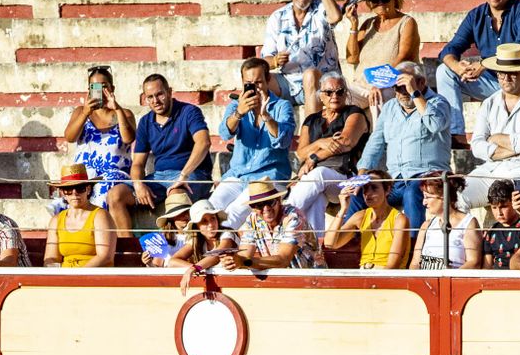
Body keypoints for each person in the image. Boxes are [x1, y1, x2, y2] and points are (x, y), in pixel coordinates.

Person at [436, 0, 520, 143]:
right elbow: (450, 49)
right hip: (493, 81)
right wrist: (458, 67)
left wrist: (484, 64)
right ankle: (456, 135)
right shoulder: (476, 15)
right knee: (444, 71)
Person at [356, 62, 451, 228]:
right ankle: (347, 243)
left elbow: (435, 124)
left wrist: (414, 93)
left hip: (426, 176)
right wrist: (362, 174)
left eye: (405, 86)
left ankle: (414, 247)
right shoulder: (390, 107)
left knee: (412, 192)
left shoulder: (438, 103)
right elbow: (376, 142)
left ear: (421, 83)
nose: (401, 92)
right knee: (359, 192)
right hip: (394, 180)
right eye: (397, 87)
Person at [463, 43, 520, 208]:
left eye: (512, 74)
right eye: (502, 74)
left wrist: (494, 138)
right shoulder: (489, 103)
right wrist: (516, 146)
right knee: (456, 198)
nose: (506, 79)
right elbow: (476, 146)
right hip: (490, 169)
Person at [210, 58, 298, 227]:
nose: (254, 88)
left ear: (268, 81)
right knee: (211, 208)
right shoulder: (236, 105)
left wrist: (266, 115)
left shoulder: (281, 106)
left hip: (269, 178)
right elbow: (224, 133)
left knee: (233, 213)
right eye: (248, 83)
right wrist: (239, 113)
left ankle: (221, 252)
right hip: (238, 174)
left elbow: (284, 140)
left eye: (258, 82)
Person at [286, 74, 369, 233]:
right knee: (316, 200)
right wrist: (320, 142)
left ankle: (286, 216)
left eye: (339, 91)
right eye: (329, 92)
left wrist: (314, 157)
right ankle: (315, 244)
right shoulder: (312, 120)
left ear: (346, 93)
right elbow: (301, 153)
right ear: (320, 96)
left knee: (319, 173)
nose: (334, 96)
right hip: (316, 181)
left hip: (344, 176)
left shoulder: (354, 113)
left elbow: (345, 143)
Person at [65, 66, 136, 237]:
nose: (100, 91)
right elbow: (70, 137)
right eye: (94, 87)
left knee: (104, 187)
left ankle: (117, 246)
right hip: (85, 177)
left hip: (115, 177)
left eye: (104, 86)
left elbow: (129, 138)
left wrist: (117, 109)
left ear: (112, 89)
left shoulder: (124, 113)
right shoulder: (80, 113)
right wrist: (85, 113)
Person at [195, 180, 324, 273]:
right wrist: (235, 261)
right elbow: (245, 255)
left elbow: (283, 260)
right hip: (280, 280)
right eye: (259, 205)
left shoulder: (293, 217)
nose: (266, 209)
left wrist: (243, 262)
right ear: (253, 208)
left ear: (279, 201)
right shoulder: (252, 219)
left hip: (311, 277)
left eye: (270, 202)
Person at [264, 0, 344, 114]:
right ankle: (257, 134)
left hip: (322, 82)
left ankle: (310, 133)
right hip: (289, 82)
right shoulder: (277, 17)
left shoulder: (321, 9)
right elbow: (265, 60)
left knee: (311, 74)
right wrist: (276, 60)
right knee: (254, 78)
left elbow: (336, 17)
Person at [129, 74, 213, 210]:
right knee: (116, 195)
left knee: (176, 196)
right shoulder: (145, 122)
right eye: (150, 97)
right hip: (160, 177)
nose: (155, 101)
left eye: (159, 94)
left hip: (193, 174)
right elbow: (138, 163)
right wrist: (138, 184)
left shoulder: (189, 111)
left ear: (169, 92)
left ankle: (179, 231)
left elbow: (204, 142)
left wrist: (183, 175)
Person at [342, 0, 422, 110]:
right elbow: (352, 58)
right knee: (336, 94)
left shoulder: (407, 23)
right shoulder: (367, 24)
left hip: (392, 84)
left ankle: (379, 131)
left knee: (379, 97)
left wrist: (379, 83)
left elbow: (403, 57)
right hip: (363, 85)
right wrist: (354, 24)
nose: (380, 3)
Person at [323, 176, 410, 269]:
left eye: (374, 188)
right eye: (365, 188)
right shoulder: (361, 216)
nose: (368, 193)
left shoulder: (399, 219)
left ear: (387, 190)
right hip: (365, 274)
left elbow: (393, 265)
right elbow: (330, 243)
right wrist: (343, 209)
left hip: (387, 277)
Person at [44, 164, 114, 269]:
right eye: (68, 189)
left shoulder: (100, 216)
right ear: (63, 193)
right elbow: (51, 258)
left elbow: (104, 257)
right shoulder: (56, 220)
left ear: (88, 189)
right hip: (65, 278)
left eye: (80, 188)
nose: (74, 193)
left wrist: (77, 275)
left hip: (94, 277)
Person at [411, 174, 483, 270]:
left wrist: (448, 278)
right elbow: (415, 263)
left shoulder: (468, 223)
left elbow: (474, 262)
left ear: (443, 197)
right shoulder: (426, 226)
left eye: (427, 197)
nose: (424, 202)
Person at [480, 177, 520, 270]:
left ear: (513, 203)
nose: (499, 212)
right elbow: (487, 266)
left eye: (504, 207)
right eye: (494, 208)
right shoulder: (490, 232)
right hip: (497, 279)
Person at [167, 199, 229, 269]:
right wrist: (193, 268)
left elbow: (217, 255)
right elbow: (172, 262)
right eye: (204, 221)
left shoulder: (227, 234)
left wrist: (195, 268)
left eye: (213, 218)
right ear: (196, 226)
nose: (210, 224)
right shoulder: (196, 240)